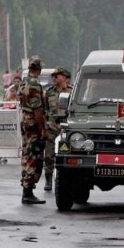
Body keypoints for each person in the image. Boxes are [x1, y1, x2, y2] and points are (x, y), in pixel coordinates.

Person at [19, 56, 47, 204]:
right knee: (33, 156)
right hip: (33, 124)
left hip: (24, 120)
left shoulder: (23, 82)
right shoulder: (35, 84)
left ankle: (25, 184)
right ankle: (28, 191)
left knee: (26, 154)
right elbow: (37, 110)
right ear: (39, 69)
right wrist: (43, 129)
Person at [42, 67, 73, 191]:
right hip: (52, 126)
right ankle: (48, 179)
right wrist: (45, 125)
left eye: (57, 76)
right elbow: (45, 110)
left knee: (67, 153)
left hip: (65, 126)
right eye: (53, 76)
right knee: (49, 154)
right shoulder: (49, 92)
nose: (54, 78)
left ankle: (67, 179)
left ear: (64, 77)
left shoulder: (72, 91)